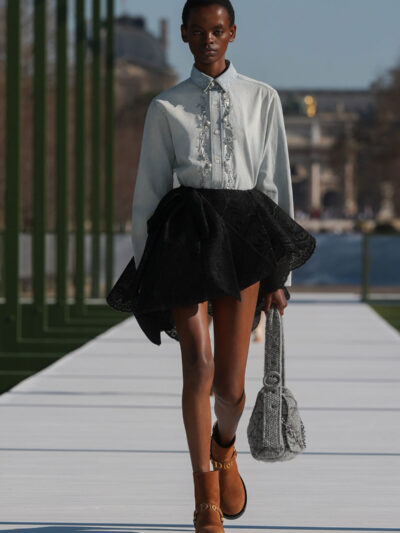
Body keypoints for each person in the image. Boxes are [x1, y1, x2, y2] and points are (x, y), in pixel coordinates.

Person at [106, 1, 316, 530]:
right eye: (197, 31)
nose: (208, 40)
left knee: (231, 389)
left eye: (217, 30)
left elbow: (275, 186)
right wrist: (147, 267)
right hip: (186, 238)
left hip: (245, 238)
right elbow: (148, 194)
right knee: (197, 364)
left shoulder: (263, 99)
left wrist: (280, 277)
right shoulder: (165, 106)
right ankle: (204, 497)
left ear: (233, 33)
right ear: (183, 35)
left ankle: (224, 449)